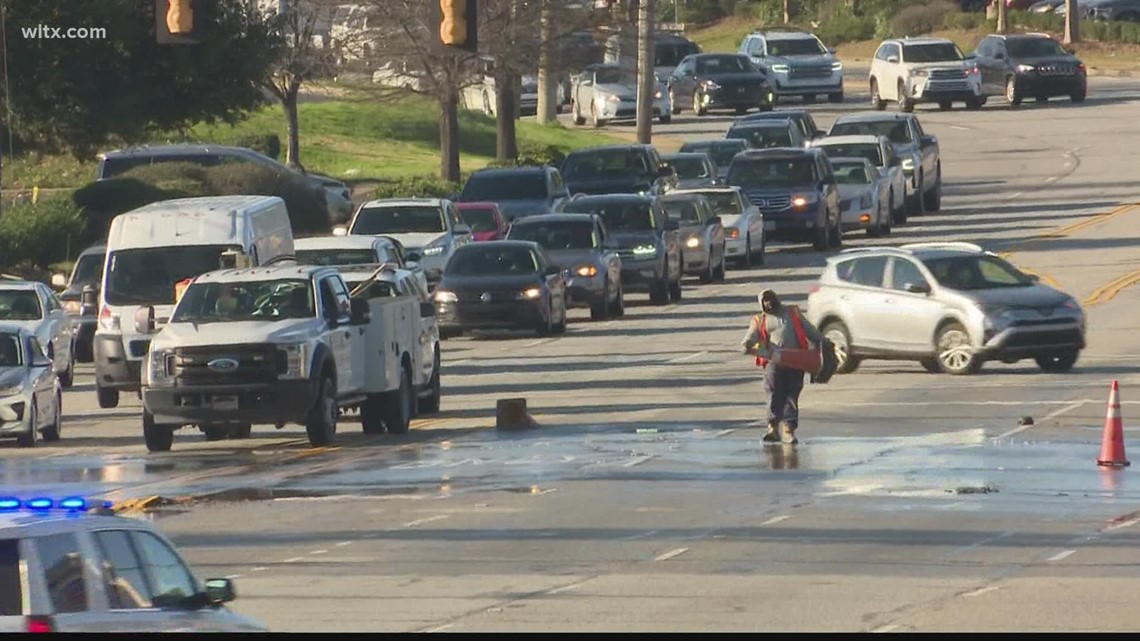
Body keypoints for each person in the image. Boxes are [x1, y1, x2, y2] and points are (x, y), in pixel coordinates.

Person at [741, 289, 825, 445]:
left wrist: (823, 342)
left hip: (796, 360)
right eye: (765, 300)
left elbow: (810, 331)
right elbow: (750, 337)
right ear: (761, 304)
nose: (768, 302)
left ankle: (788, 429)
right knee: (773, 394)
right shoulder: (760, 320)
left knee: (791, 395)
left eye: (770, 298)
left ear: (776, 298)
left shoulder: (793, 313)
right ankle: (772, 428)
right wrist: (747, 344)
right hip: (774, 362)